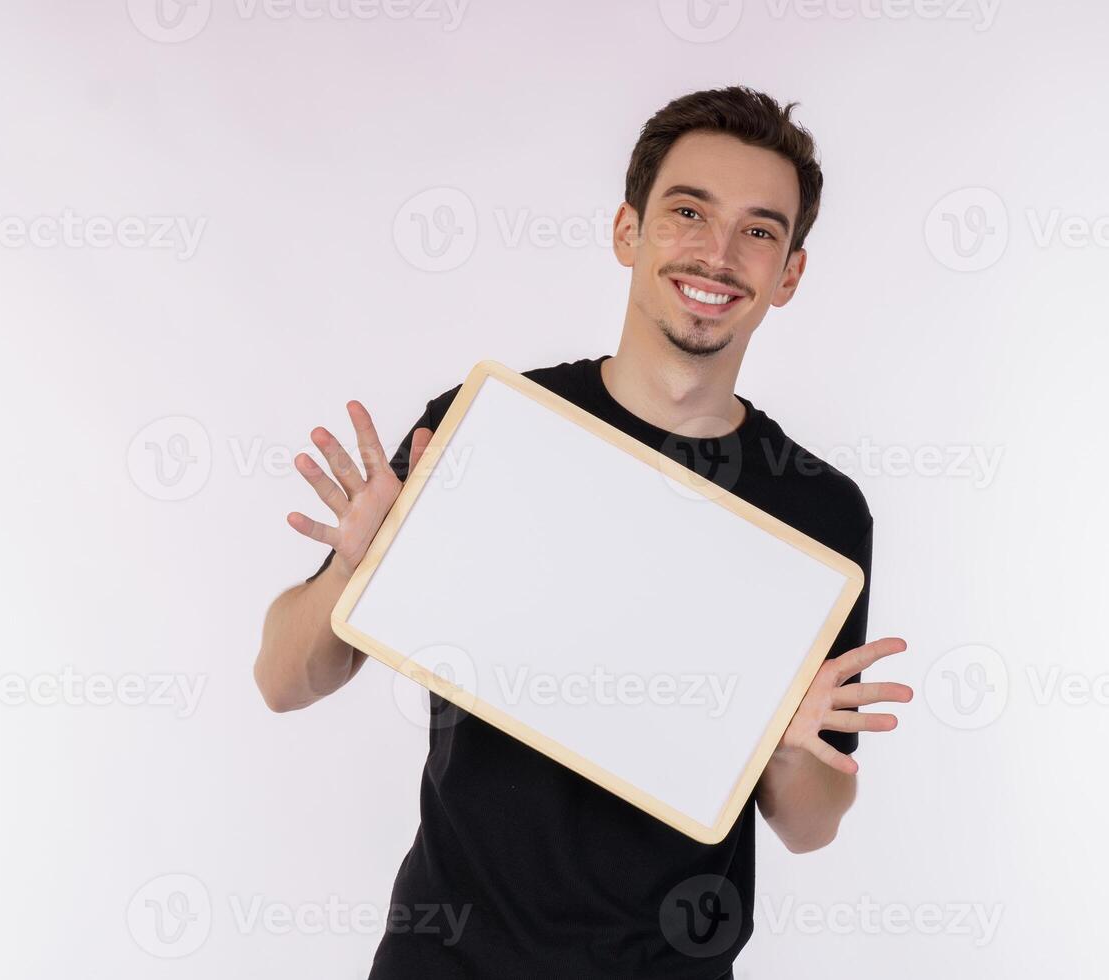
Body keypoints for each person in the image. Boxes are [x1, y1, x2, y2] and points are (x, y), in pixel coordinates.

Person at [255, 85, 914, 979]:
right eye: (688, 212)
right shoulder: (483, 428)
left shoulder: (820, 513)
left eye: (760, 230)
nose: (718, 255)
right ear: (627, 231)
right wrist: (355, 573)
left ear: (789, 273)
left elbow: (810, 825)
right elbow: (283, 680)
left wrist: (791, 750)